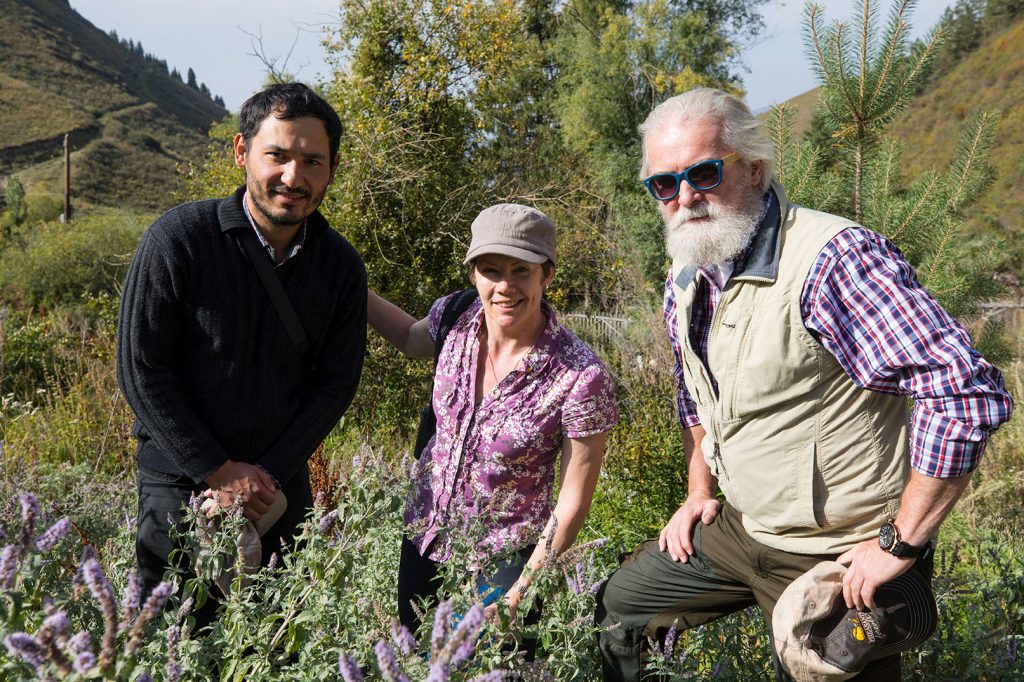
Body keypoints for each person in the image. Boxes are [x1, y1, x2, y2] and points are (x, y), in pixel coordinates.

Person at [595, 88, 1014, 681]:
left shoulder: (828, 260)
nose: (685, 197)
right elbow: (695, 386)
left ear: (754, 170)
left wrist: (900, 544)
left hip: (837, 551)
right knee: (621, 610)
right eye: (664, 184)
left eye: (704, 173)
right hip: (740, 527)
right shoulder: (689, 270)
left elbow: (964, 390)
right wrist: (698, 488)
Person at [117, 83, 367, 609]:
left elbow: (336, 383)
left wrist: (265, 475)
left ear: (333, 168)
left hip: (277, 496)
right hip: (179, 489)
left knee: (272, 649)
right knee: (169, 643)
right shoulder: (179, 240)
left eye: (312, 161)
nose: (293, 177)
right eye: (276, 155)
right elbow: (142, 369)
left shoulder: (340, 267)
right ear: (241, 152)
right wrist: (218, 469)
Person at [367, 203, 619, 636]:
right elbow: (411, 339)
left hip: (502, 567)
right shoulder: (455, 318)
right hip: (424, 537)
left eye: (522, 270)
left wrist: (520, 592)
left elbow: (572, 502)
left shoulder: (580, 376)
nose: (505, 286)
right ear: (473, 274)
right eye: (490, 269)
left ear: (547, 274)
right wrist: (349, 285)